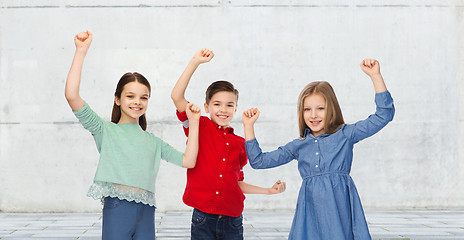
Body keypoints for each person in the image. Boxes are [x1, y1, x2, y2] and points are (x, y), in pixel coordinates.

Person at [64, 30, 201, 240]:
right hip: (118, 209)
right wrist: (81, 51)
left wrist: (194, 122)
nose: (137, 102)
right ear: (118, 99)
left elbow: (189, 161)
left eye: (143, 97)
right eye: (130, 96)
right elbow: (72, 96)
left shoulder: (153, 142)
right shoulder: (105, 130)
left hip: (146, 212)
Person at [242, 59, 395, 239]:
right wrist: (248, 126)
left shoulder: (346, 134)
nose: (313, 115)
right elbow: (259, 161)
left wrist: (375, 76)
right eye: (307, 109)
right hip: (310, 214)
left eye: (320, 108)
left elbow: (384, 115)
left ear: (332, 109)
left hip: (340, 210)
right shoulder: (298, 145)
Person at [171, 48, 286, 240]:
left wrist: (268, 191)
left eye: (229, 105)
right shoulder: (198, 125)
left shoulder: (240, 144)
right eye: (217, 104)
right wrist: (194, 62)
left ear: (235, 108)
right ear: (207, 107)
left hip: (233, 220)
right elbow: (176, 97)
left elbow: (236, 183)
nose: (223, 110)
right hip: (203, 218)